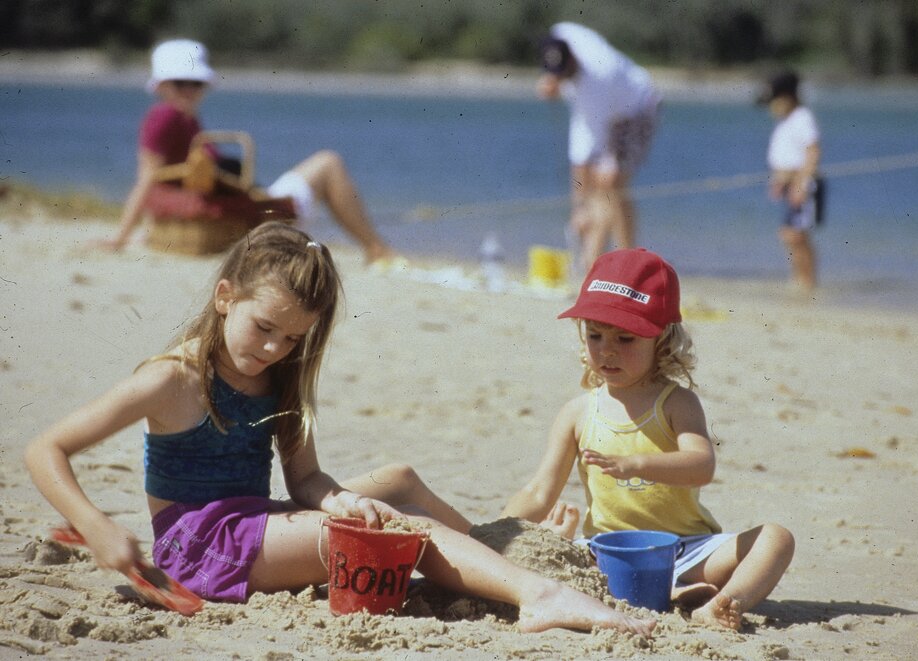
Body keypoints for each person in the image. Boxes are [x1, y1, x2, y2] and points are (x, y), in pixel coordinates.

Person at [24, 221, 654, 636]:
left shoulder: (280, 379)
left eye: (293, 337)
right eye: (263, 327)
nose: (273, 348)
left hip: (254, 521)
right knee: (405, 530)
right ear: (224, 297)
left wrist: (343, 498)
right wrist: (98, 525)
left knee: (396, 481)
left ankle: (486, 556)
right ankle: (535, 594)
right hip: (200, 548)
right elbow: (45, 449)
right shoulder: (172, 380)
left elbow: (305, 480)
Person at [503, 248, 794, 631]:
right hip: (607, 552)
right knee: (547, 553)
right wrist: (499, 532)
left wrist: (637, 464)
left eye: (625, 338)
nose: (607, 350)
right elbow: (541, 491)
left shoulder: (676, 403)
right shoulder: (578, 413)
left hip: (686, 548)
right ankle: (674, 593)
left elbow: (701, 465)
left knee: (777, 537)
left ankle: (724, 602)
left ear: (661, 339)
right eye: (594, 335)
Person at [100, 39, 394, 264]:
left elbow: (162, 179)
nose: (191, 90)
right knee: (329, 163)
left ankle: (375, 248)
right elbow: (148, 177)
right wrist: (120, 237)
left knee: (325, 164)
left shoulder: (184, 119)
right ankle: (376, 250)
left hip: (232, 207)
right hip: (242, 215)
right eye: (181, 83)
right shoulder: (166, 116)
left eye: (197, 83)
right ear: (162, 85)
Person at [536, 23, 662, 273]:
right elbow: (581, 158)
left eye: (562, 73)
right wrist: (580, 206)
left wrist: (581, 206)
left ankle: (625, 263)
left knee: (610, 182)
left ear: (574, 58)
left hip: (637, 109)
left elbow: (588, 148)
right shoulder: (561, 33)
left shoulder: (597, 78)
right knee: (594, 188)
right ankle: (592, 264)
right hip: (605, 110)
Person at [757, 70, 823, 293]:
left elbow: (812, 152)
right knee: (791, 235)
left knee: (794, 234)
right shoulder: (785, 121)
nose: (771, 107)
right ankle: (799, 279)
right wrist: (778, 181)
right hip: (788, 185)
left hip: (802, 186)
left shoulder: (802, 117)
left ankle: (807, 281)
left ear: (788, 97)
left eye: (775, 100)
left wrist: (801, 185)